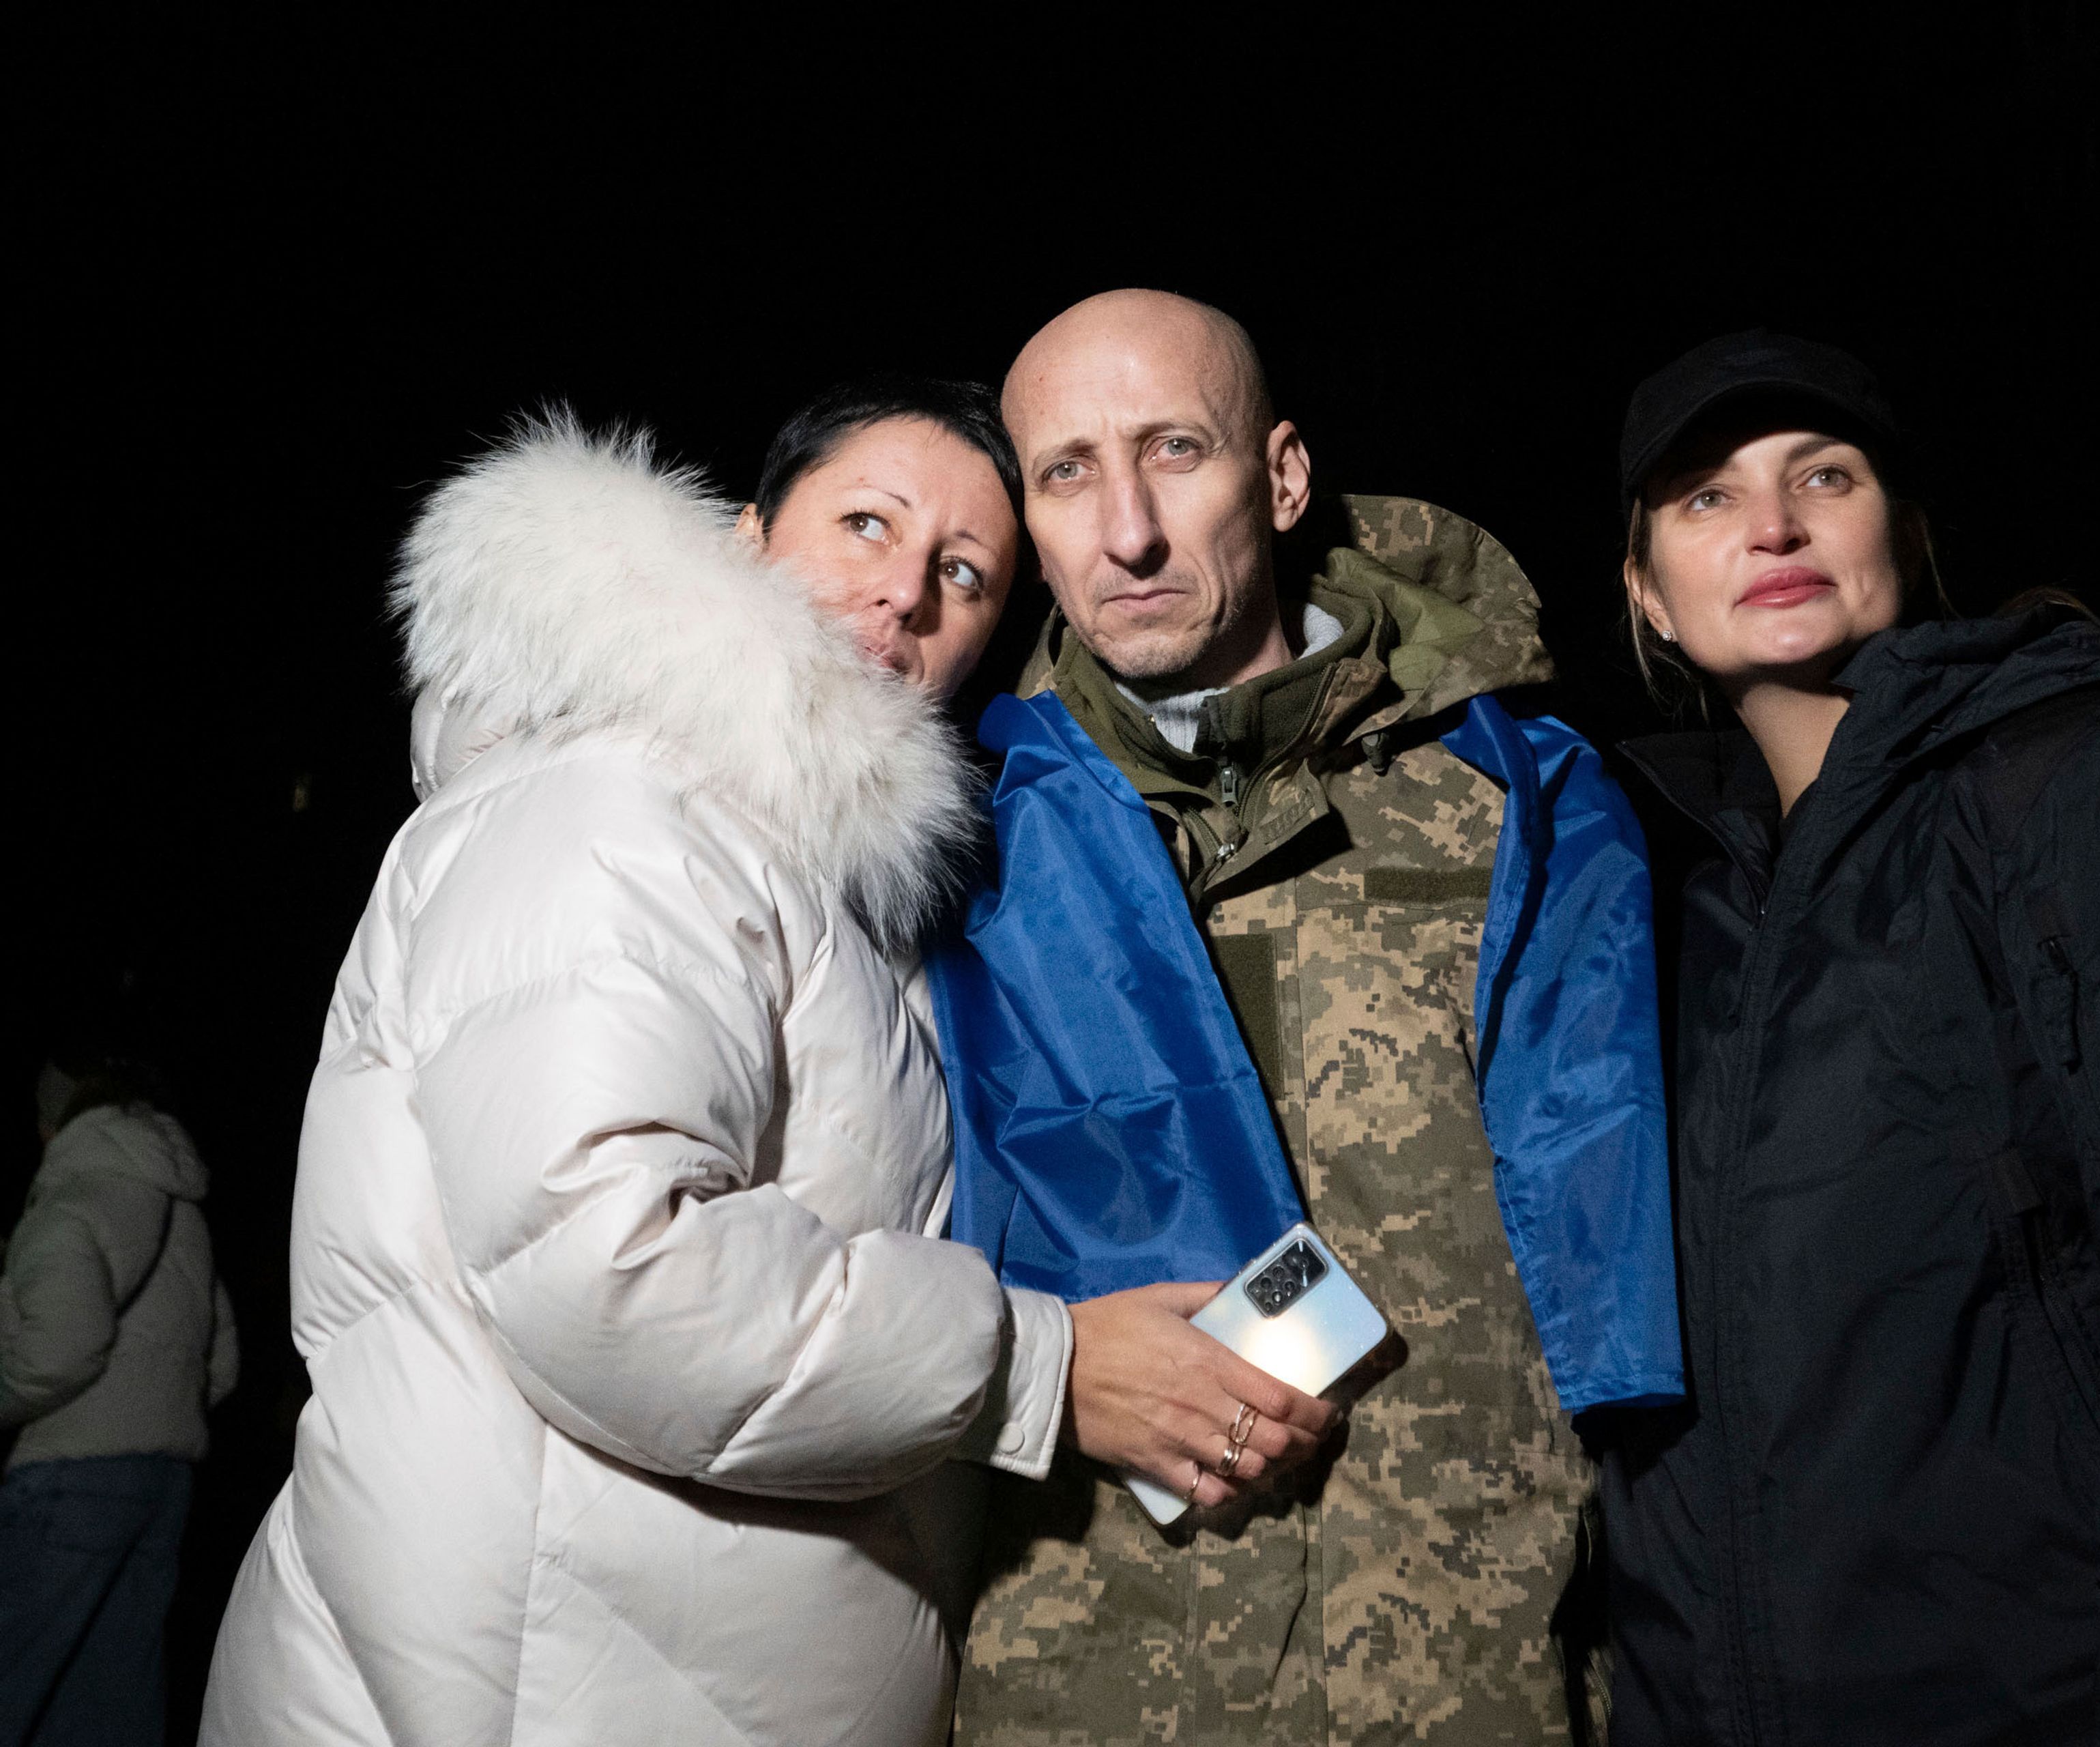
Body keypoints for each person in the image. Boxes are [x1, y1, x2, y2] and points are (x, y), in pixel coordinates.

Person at [199, 381, 1328, 1747]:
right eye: (867, 522)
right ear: (741, 540)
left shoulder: (806, 875)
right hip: (523, 1687)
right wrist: (1042, 1366)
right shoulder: (623, 802)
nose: (906, 592)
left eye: (963, 574)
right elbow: (608, 1263)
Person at [1599, 331, 2100, 1744]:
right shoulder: (1666, 907)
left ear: (1904, 530)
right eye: (1705, 498)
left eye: (1824, 475)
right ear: (1647, 595)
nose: (1774, 524)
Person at [928, 289, 1682, 1745]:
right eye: (1069, 472)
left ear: (1279, 478)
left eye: (1176, 451)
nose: (1128, 530)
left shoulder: (1520, 802)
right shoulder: (952, 840)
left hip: (1472, 1668)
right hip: (1089, 1680)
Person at [3, 1040, 237, 1746]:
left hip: (66, 1481)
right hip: (163, 1487)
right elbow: (220, 1362)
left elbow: (63, 1349)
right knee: (111, 1699)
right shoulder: (183, 1218)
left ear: (57, 1122)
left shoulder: (68, 1206)